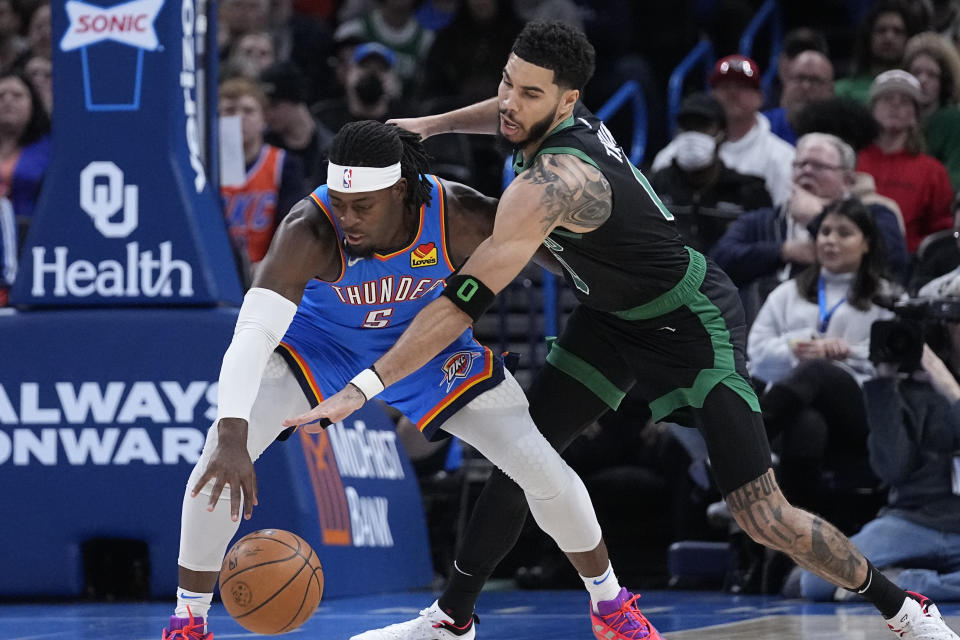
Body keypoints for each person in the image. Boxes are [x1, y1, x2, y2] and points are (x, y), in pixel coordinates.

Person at [298, 21, 960, 640]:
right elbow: (502, 113)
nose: (507, 102)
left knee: (765, 517)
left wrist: (365, 384)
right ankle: (449, 622)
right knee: (520, 457)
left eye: (528, 93)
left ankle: (904, 610)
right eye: (506, 80)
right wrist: (432, 124)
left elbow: (459, 304)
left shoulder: (554, 183)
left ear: (567, 103)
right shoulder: (544, 111)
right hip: (612, 320)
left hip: (690, 319)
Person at [162, 120, 640, 640]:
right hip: (322, 350)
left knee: (538, 464)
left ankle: (610, 605)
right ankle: (189, 620)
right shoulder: (309, 229)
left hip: (429, 351)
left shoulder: (458, 213)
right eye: (339, 202)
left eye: (361, 206)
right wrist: (232, 432)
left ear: (399, 191)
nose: (346, 217)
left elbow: (567, 262)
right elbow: (251, 335)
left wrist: (625, 284)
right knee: (218, 457)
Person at [797, 275, 960, 601]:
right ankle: (901, 584)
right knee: (815, 583)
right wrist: (883, 386)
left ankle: (905, 585)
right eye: (957, 320)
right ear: (943, 324)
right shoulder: (912, 383)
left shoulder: (941, 382)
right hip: (914, 520)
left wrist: (949, 388)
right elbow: (893, 470)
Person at [748, 198, 894, 519]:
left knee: (818, 370)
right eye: (825, 231)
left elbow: (894, 363)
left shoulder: (887, 298)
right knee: (807, 424)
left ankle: (743, 445)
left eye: (844, 233)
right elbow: (757, 356)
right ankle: (793, 539)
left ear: (866, 244)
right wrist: (794, 346)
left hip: (862, 413)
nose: (830, 239)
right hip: (798, 411)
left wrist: (845, 351)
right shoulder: (787, 293)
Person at [711, 133, 908, 320]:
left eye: (818, 166)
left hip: (848, 327)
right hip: (767, 328)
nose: (806, 171)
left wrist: (817, 218)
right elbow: (718, 264)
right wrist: (784, 251)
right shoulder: (762, 220)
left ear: (847, 181)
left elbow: (892, 263)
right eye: (800, 165)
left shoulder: (877, 214)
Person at [653, 55, 795, 206]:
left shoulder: (782, 158)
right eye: (724, 86)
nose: (732, 93)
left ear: (760, 97)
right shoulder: (674, 154)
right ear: (712, 94)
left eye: (742, 86)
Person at [650, 92, 772, 253]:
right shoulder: (656, 186)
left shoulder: (749, 192)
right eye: (686, 127)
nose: (693, 135)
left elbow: (765, 252)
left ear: (723, 134)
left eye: (702, 127)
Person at [857, 69, 954, 254]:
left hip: (909, 265)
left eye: (904, 101)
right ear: (872, 109)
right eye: (887, 99)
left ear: (914, 116)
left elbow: (941, 231)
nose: (895, 106)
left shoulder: (933, 171)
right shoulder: (854, 160)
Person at [218, 77, 304, 282]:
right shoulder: (203, 167)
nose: (239, 118)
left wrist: (272, 264)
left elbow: (293, 226)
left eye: (248, 111)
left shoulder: (284, 164)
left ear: (263, 119)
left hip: (269, 272)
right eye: (230, 111)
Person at [904, 31, 960, 188]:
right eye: (916, 72)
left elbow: (955, 178)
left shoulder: (954, 120)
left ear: (944, 81)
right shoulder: (896, 119)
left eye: (932, 75)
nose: (922, 80)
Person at [762, 50, 835, 146]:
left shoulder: (842, 132)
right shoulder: (762, 126)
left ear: (830, 90)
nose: (806, 86)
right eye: (799, 78)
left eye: (815, 80)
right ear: (786, 84)